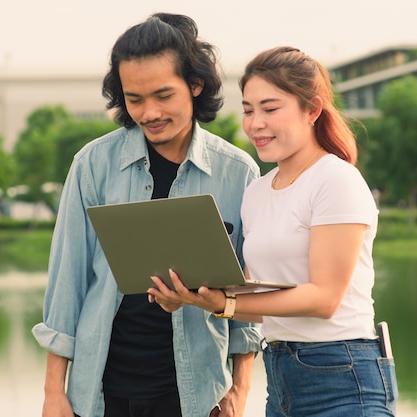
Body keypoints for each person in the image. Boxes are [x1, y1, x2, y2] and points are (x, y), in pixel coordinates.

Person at [32, 13, 263, 417]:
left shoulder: (239, 173)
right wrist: (55, 393)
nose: (149, 112)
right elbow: (67, 281)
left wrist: (240, 391)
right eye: (134, 99)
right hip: (101, 393)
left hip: (197, 396)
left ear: (195, 86)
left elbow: (248, 297)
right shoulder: (92, 165)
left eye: (162, 95)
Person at [148, 46, 399, 416]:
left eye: (270, 108)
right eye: (249, 110)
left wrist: (225, 303)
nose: (255, 123)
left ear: (312, 110)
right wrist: (190, 293)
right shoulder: (257, 191)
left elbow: (324, 299)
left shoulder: (336, 180)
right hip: (281, 376)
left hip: (344, 376)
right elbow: (258, 297)